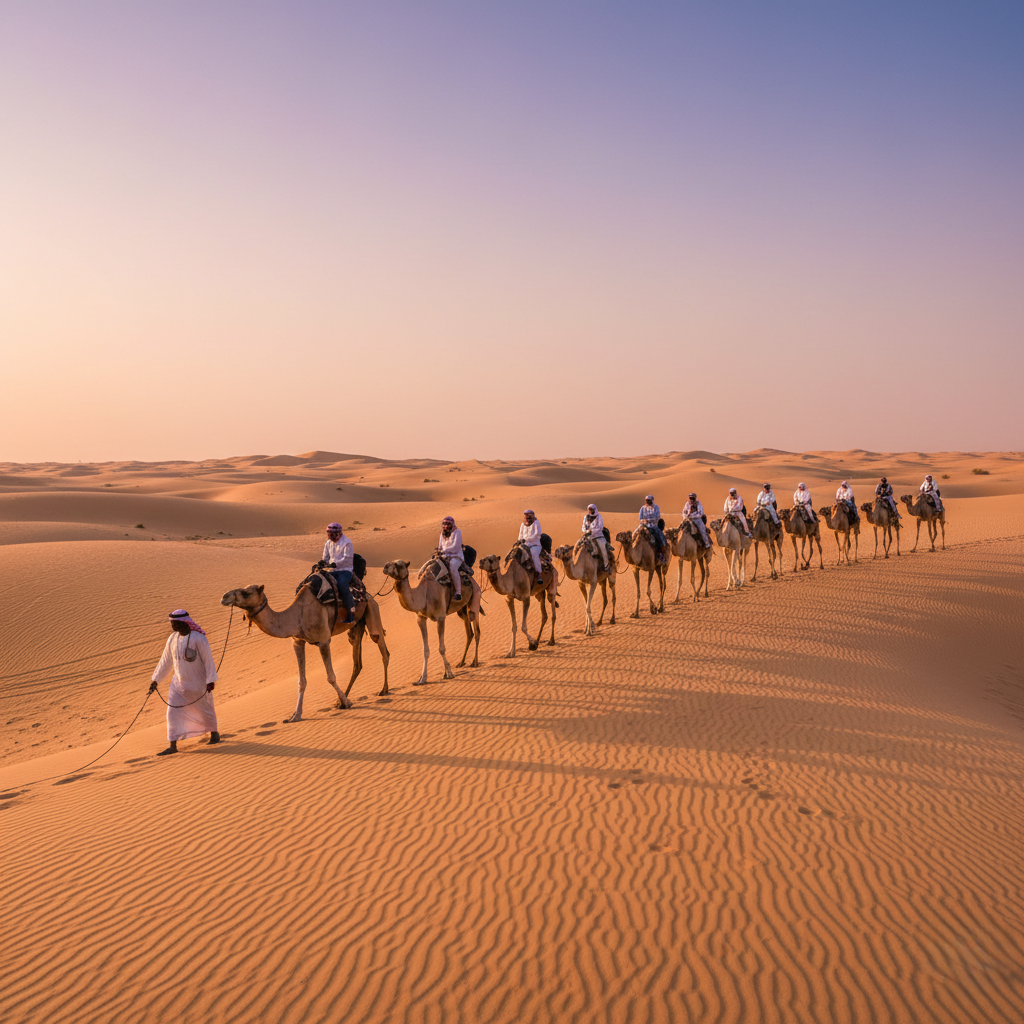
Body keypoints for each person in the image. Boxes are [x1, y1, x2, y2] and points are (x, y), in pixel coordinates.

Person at [149, 609, 219, 756]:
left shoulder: (198, 638)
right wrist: (156, 680)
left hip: (198, 682)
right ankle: (173, 745)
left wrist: (210, 680)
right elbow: (165, 661)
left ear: (183, 622)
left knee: (205, 709)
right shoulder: (172, 639)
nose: (172, 626)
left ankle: (214, 734)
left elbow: (208, 660)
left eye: (174, 623)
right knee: (172, 713)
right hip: (178, 684)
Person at [320, 522, 355, 624]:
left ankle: (351, 612)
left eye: (333, 534)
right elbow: (325, 558)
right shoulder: (328, 543)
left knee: (342, 585)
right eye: (329, 534)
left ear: (339, 533)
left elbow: (347, 558)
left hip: (345, 570)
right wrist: (323, 563)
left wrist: (334, 564)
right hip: (332, 570)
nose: (331, 536)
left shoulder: (347, 543)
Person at [436, 515, 465, 600]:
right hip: (444, 556)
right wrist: (439, 550)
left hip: (456, 556)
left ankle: (458, 592)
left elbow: (455, 547)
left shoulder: (457, 532)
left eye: (448, 524)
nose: (446, 526)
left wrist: (444, 550)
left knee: (453, 567)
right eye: (444, 524)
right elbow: (440, 545)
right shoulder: (442, 533)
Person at [582, 503, 611, 572]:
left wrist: (593, 530)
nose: (590, 511)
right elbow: (583, 527)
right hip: (587, 534)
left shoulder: (599, 516)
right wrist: (586, 531)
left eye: (591, 509)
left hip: (598, 535)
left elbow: (600, 527)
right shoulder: (586, 517)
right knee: (579, 547)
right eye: (589, 509)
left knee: (603, 548)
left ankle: (606, 566)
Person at [639, 495, 668, 562]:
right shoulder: (643, 508)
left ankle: (661, 555)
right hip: (644, 525)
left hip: (654, 526)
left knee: (660, 537)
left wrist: (650, 520)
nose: (647, 502)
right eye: (646, 500)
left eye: (649, 500)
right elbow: (640, 518)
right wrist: (644, 521)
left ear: (652, 500)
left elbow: (658, 517)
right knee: (635, 535)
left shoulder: (656, 508)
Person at [519, 509, 544, 578]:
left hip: (535, 545)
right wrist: (519, 541)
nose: (527, 517)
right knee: (517, 553)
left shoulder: (536, 523)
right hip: (525, 545)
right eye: (526, 515)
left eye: (529, 515)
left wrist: (526, 539)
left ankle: (539, 573)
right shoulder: (523, 524)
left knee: (534, 554)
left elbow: (537, 534)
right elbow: (520, 535)